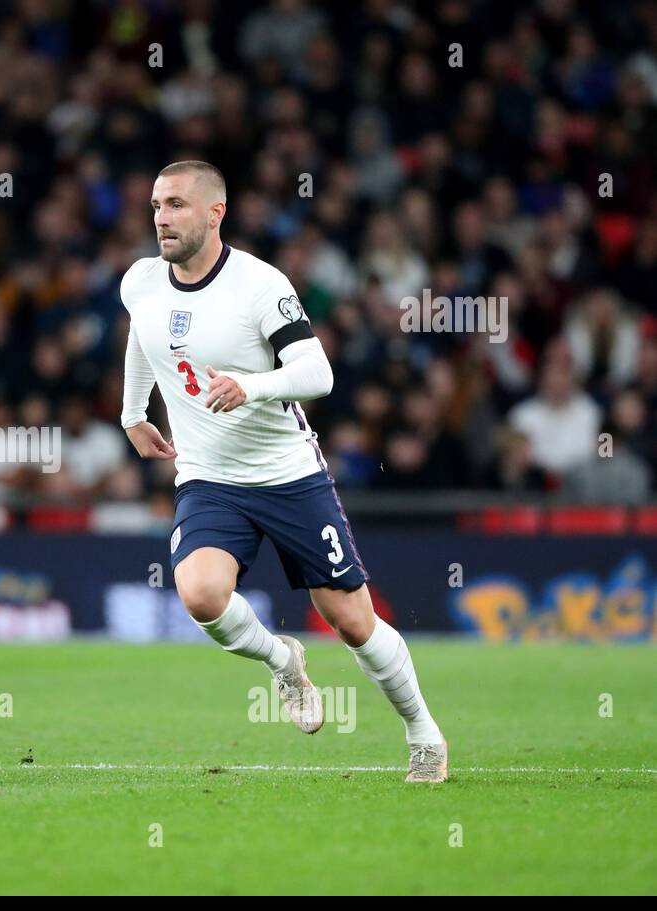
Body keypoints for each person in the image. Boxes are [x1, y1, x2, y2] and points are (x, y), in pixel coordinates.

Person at [120, 160, 447, 781]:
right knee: (200, 593)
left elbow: (317, 374)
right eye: (157, 205)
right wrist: (133, 411)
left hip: (288, 474)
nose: (162, 218)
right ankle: (282, 661)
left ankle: (422, 731)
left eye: (177, 205)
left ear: (216, 212)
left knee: (351, 620)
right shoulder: (141, 282)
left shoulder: (259, 284)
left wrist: (252, 386)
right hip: (208, 477)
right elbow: (144, 335)